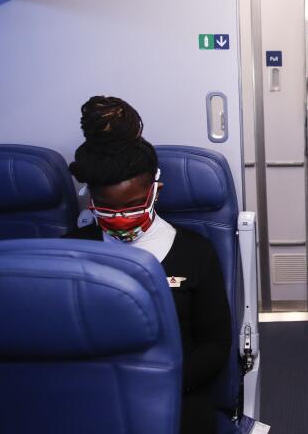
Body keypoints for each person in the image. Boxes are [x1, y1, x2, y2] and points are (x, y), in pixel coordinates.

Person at [64, 95, 231, 434]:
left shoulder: (196, 253)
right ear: (91, 200)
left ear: (155, 189)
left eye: (133, 205)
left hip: (175, 392)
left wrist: (159, 381)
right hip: (94, 394)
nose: (122, 219)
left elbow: (215, 346)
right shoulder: (70, 254)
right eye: (109, 209)